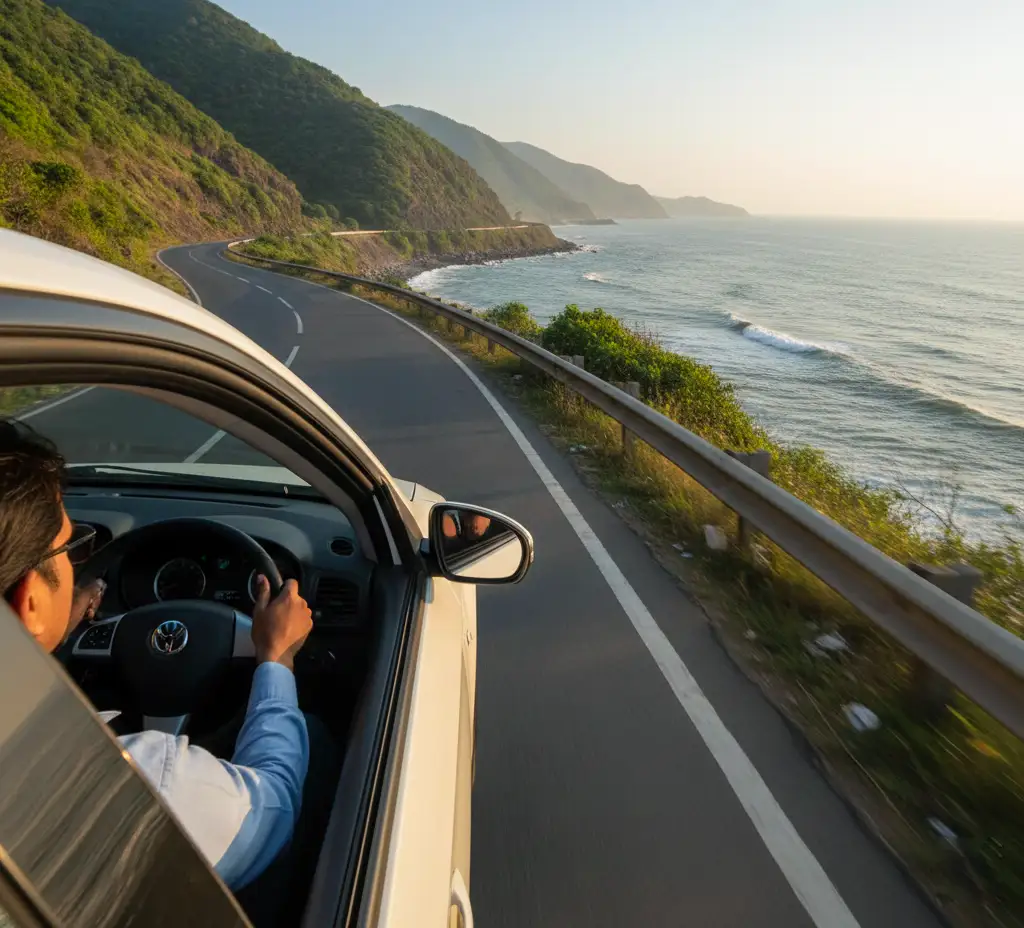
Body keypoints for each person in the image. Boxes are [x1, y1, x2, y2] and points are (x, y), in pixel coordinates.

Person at [0, 418, 313, 893]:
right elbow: (274, 803)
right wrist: (277, 659)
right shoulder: (134, 782)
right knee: (320, 745)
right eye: (70, 550)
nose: (73, 564)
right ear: (30, 601)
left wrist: (49, 634)